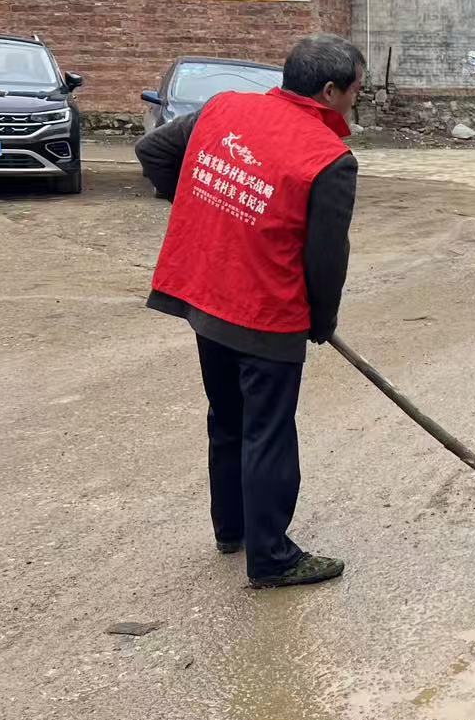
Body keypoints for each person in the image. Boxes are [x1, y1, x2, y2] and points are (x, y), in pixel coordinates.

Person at [135, 35, 366, 589]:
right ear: (329, 91)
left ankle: (231, 529)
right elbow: (325, 259)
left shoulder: (225, 108)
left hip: (206, 297)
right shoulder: (329, 158)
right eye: (355, 93)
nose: (356, 104)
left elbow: (153, 152)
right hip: (267, 312)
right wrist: (322, 320)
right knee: (268, 431)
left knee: (227, 417)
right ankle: (271, 557)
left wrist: (206, 209)